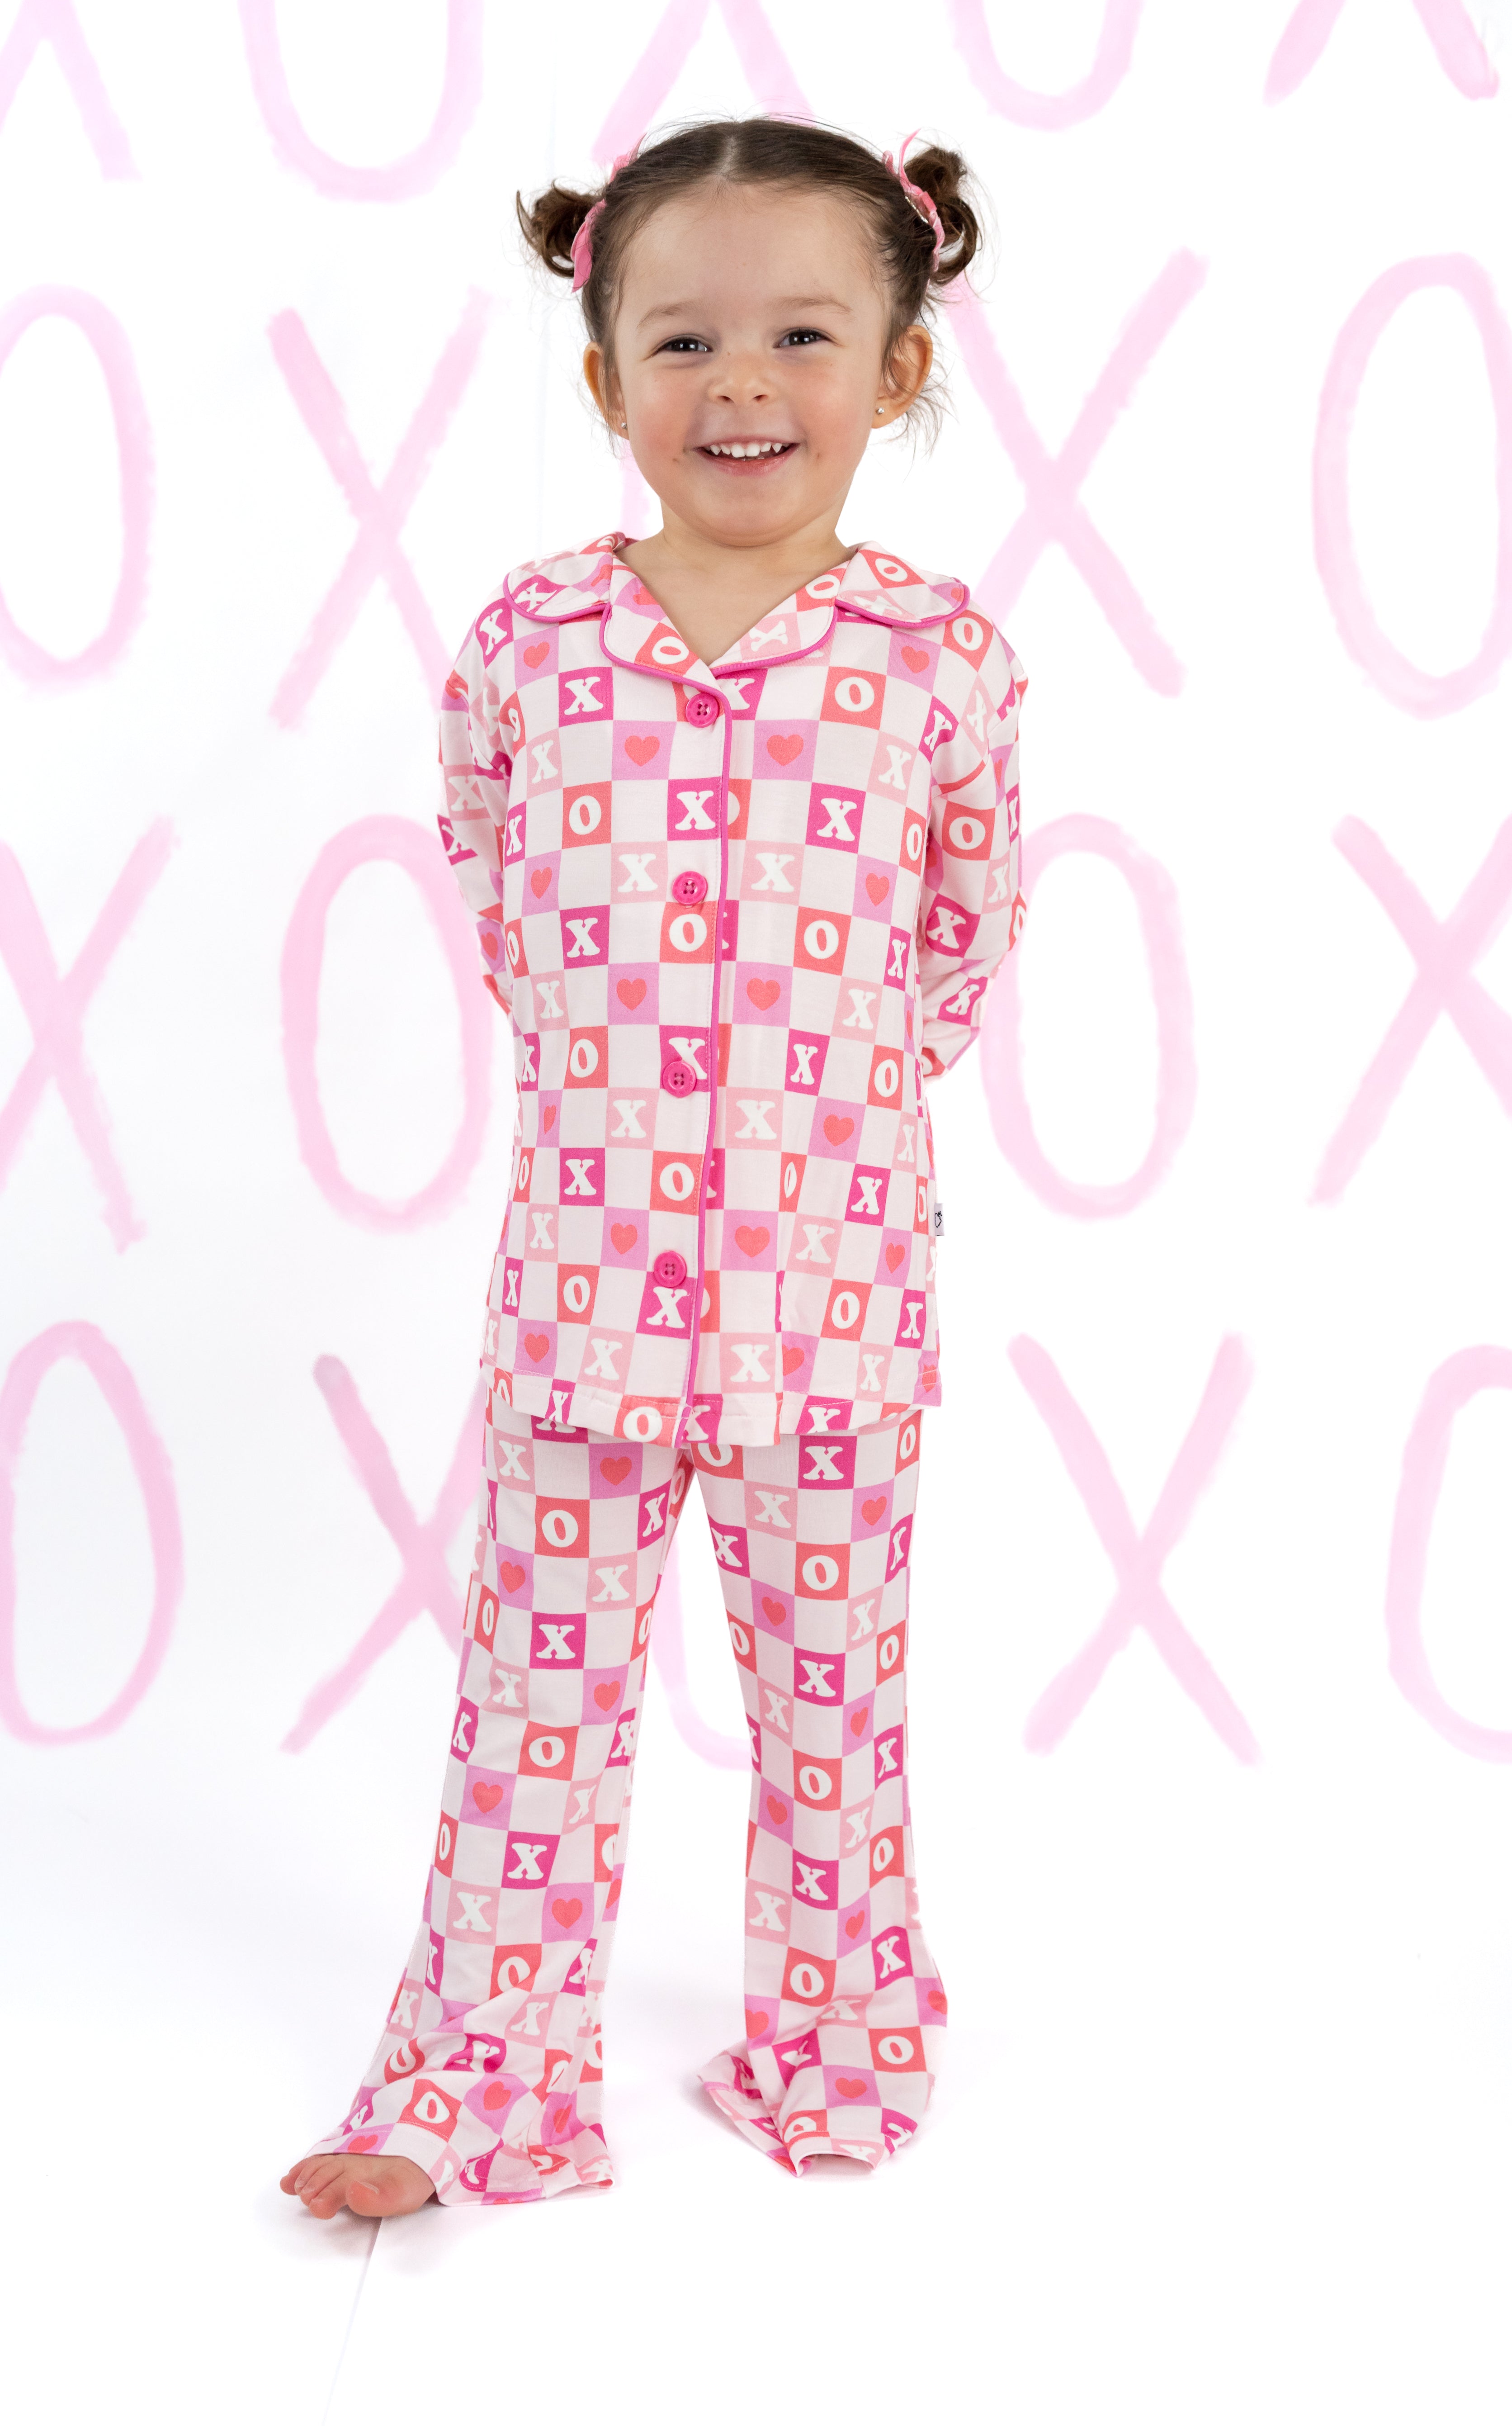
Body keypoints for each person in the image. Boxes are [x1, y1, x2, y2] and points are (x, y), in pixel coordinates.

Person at [282, 114, 1027, 2220]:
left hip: (834, 1309)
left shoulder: (938, 659)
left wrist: (819, 1106)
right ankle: (475, 2088)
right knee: (532, 1714)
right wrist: (625, 1083)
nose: (740, 384)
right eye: (683, 340)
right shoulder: (530, 643)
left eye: (801, 335)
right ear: (607, 375)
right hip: (582, 1301)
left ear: (894, 367)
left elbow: (962, 934)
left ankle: (839, 2046)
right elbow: (493, 871)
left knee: (832, 1715)